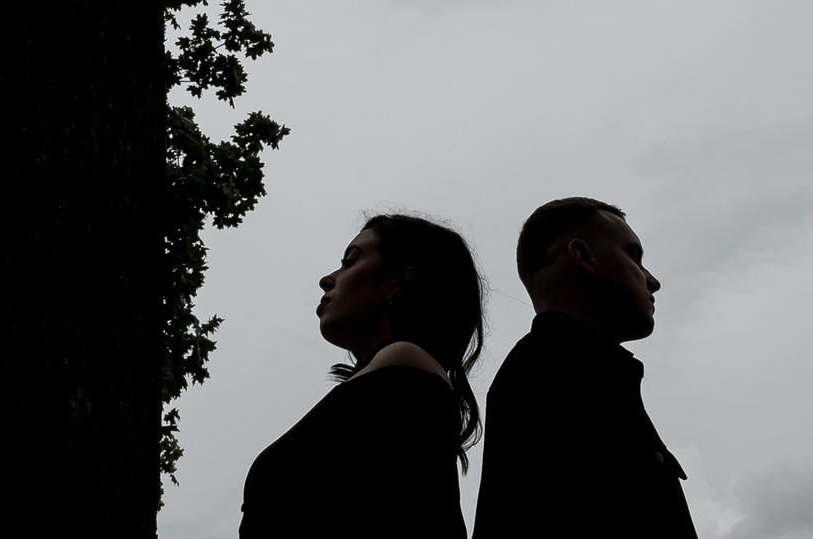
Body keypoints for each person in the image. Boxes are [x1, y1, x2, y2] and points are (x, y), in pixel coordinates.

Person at [241, 213, 484, 539]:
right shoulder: (396, 377)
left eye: (350, 262)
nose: (327, 279)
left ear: (399, 281)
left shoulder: (405, 365)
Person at [472, 198, 697, 539]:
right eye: (634, 256)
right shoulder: (553, 380)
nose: (652, 281)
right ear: (584, 257)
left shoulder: (574, 373)